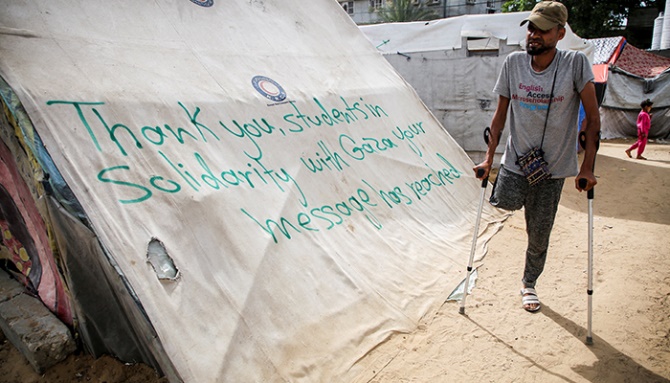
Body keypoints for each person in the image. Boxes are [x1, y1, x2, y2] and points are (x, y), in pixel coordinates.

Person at [473, 1, 600, 313]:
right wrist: (489, 159)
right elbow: (499, 117)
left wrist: (587, 167)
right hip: (517, 161)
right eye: (531, 27)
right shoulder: (513, 64)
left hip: (554, 167)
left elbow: (593, 119)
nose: (533, 34)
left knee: (539, 233)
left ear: (559, 33)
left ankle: (529, 283)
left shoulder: (575, 64)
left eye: (542, 30)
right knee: (503, 203)